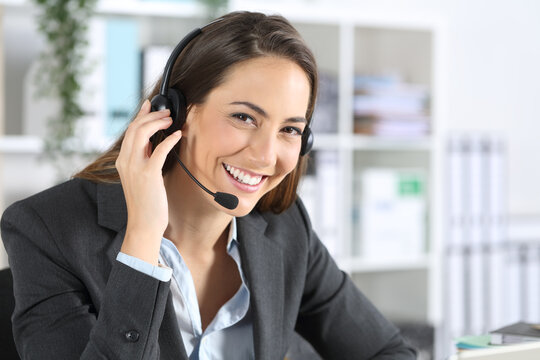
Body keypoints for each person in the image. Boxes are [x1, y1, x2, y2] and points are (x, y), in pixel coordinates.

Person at [1, 11, 417, 360]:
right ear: (175, 114)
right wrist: (143, 240)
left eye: (290, 129)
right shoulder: (47, 229)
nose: (266, 156)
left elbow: (388, 352)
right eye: (244, 118)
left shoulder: (285, 228)